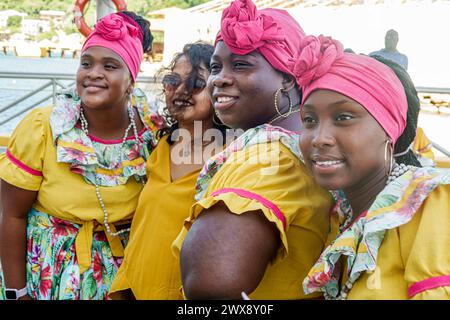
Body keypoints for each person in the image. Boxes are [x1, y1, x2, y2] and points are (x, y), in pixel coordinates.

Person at [171, 0, 333, 300]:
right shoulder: (310, 145)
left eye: (242, 64)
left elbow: (211, 285)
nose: (218, 79)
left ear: (287, 75)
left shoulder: (268, 160)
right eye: (216, 67)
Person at [0, 11, 163, 300]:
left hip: (122, 280)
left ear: (131, 79)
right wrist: (17, 292)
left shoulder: (153, 134)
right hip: (45, 277)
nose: (93, 73)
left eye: (110, 66)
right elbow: (11, 215)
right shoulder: (45, 128)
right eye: (86, 63)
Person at [298, 36, 450, 299]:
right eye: (309, 120)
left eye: (343, 117)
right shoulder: (336, 217)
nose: (319, 137)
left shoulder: (428, 205)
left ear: (389, 130)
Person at [109, 42, 227, 299]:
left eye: (196, 84)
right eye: (173, 81)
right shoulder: (160, 145)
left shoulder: (226, 160)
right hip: (133, 288)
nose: (181, 91)